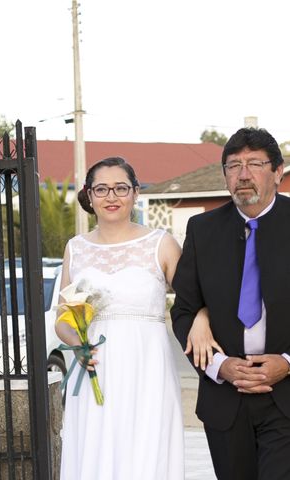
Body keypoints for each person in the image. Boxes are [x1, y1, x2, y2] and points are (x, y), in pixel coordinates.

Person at [171, 128, 290, 480]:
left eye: (255, 163)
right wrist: (219, 366)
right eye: (233, 165)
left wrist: (287, 364)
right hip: (225, 399)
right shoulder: (202, 229)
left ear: (278, 171)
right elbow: (183, 311)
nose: (243, 174)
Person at [56, 157, 221, 480]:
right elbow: (63, 319)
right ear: (89, 196)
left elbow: (197, 297)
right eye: (102, 189)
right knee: (96, 447)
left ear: (134, 193)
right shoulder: (75, 248)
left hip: (148, 367)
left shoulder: (161, 244)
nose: (112, 197)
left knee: (146, 448)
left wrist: (202, 317)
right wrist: (78, 343)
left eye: (121, 188)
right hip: (96, 369)